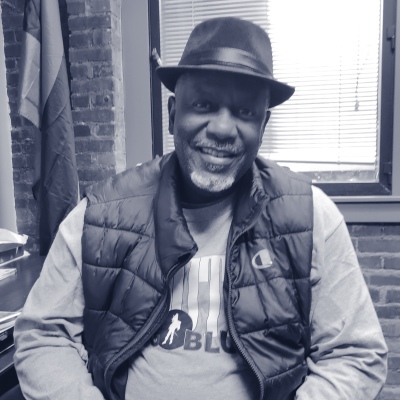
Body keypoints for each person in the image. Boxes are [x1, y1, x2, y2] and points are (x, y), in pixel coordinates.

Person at [14, 17, 387, 400]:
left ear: (263, 125)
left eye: (245, 112)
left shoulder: (311, 217)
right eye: (204, 104)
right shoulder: (100, 215)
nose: (223, 129)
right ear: (174, 113)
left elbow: (356, 354)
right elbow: (43, 335)